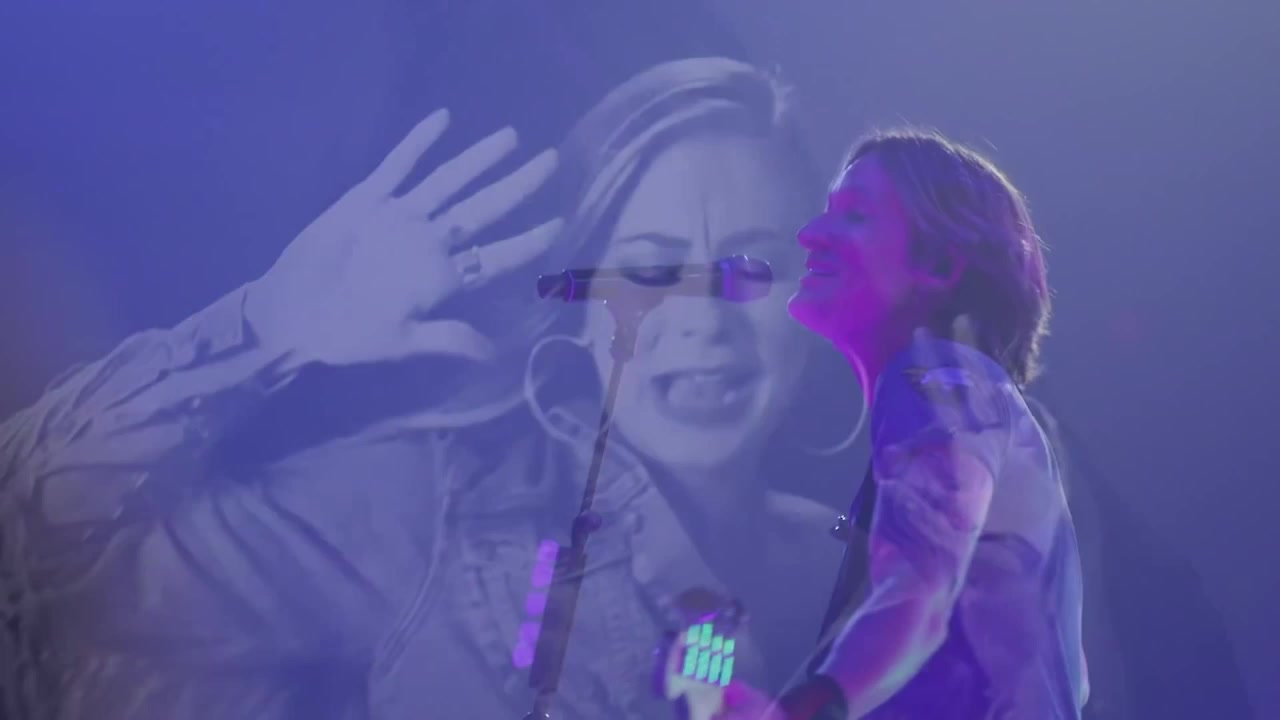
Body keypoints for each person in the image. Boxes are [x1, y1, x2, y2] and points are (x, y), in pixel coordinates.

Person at [0, 58, 853, 720]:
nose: (704, 319)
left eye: (754, 265)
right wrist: (263, 329)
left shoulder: (855, 562)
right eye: (648, 268)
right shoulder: (424, 507)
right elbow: (38, 579)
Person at [714, 131, 1089, 719]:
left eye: (855, 214)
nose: (811, 234)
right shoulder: (967, 394)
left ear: (939, 264)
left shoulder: (935, 374)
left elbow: (922, 592)